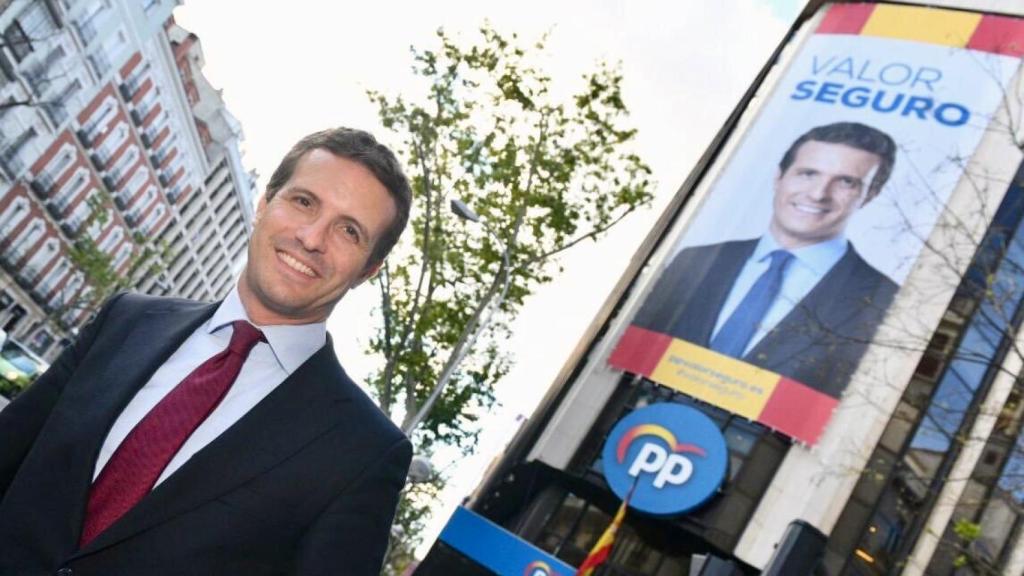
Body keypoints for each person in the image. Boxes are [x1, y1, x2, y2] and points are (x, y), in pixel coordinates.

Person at [0, 128, 413, 575]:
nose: (312, 238)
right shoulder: (126, 321)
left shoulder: (365, 453)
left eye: (349, 231)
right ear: (264, 203)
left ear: (368, 269)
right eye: (304, 202)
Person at [632, 122, 899, 398]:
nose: (818, 194)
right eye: (808, 174)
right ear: (778, 177)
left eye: (846, 182)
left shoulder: (883, 301)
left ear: (870, 195)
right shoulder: (698, 259)